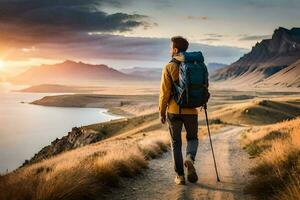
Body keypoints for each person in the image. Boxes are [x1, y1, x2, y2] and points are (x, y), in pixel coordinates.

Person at [159, 36, 200, 185]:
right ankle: (189, 158)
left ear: (175, 50)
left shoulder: (169, 67)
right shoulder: (196, 65)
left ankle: (180, 176)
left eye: (171, 48)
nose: (170, 50)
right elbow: (203, 86)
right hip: (191, 111)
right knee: (193, 139)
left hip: (174, 111)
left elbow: (164, 93)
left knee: (176, 143)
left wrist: (162, 112)